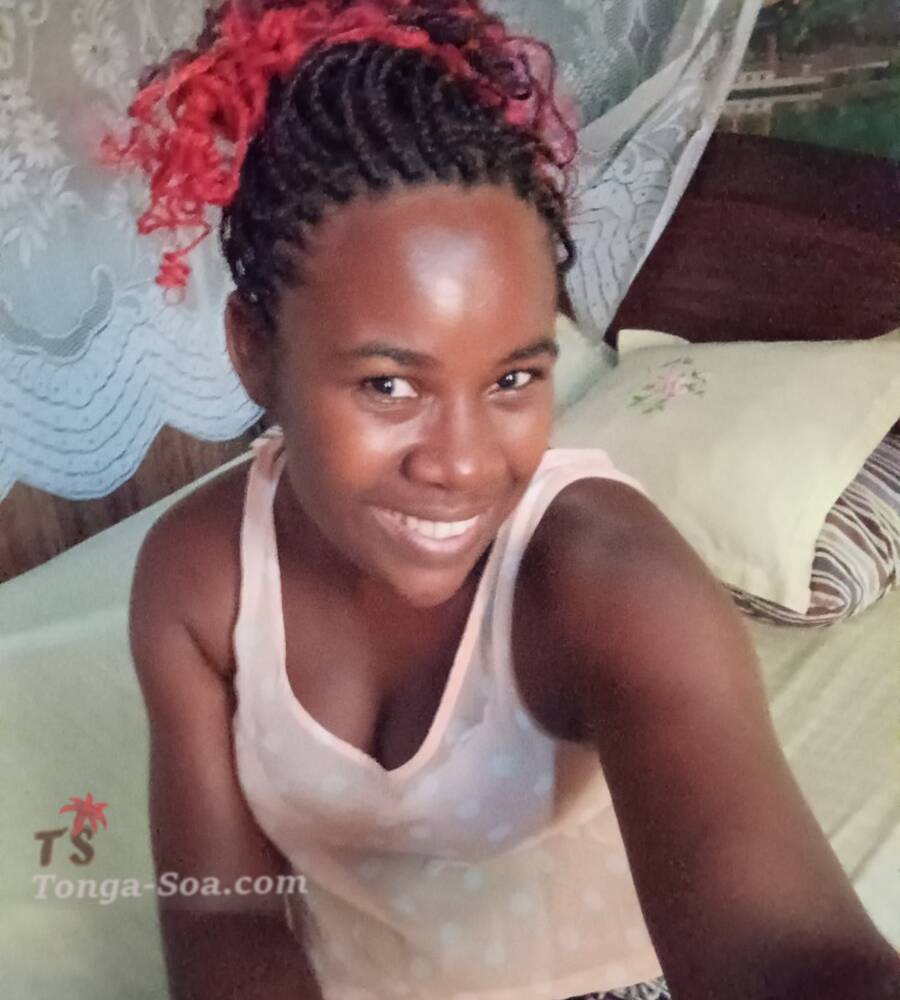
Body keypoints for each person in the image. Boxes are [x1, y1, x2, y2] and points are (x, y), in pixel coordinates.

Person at [118, 2, 900, 999]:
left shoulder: (612, 582)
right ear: (255, 351)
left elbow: (786, 954)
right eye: (389, 385)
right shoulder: (200, 580)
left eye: (514, 379)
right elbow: (218, 911)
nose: (463, 464)